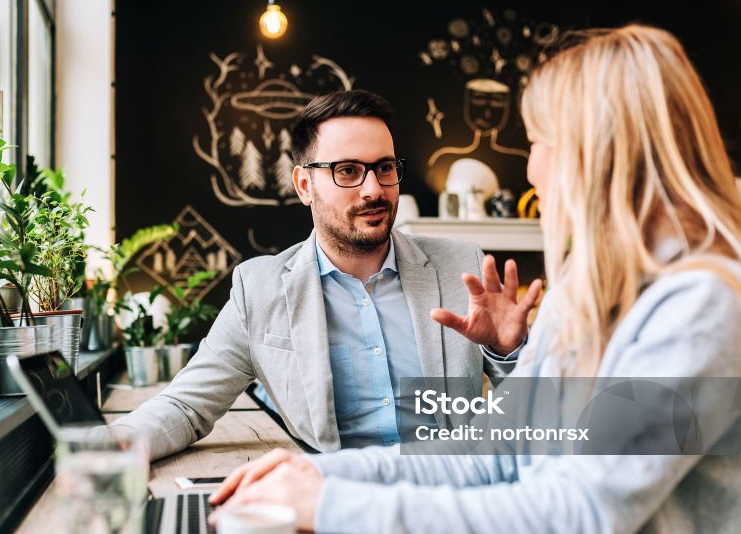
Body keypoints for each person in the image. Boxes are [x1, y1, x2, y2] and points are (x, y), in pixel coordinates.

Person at [209, 26, 741, 534]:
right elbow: (494, 453)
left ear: (599, 150)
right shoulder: (587, 289)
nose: (531, 168)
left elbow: (575, 518)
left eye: (540, 142)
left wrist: (330, 507)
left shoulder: (705, 304)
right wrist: (319, 477)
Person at [111, 90, 539, 460]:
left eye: (385, 168)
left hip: (451, 500)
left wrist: (511, 352)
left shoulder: (461, 265)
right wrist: (103, 447)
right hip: (336, 505)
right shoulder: (259, 290)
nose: (374, 189)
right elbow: (187, 406)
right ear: (304, 185)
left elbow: (549, 416)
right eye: (348, 171)